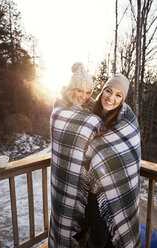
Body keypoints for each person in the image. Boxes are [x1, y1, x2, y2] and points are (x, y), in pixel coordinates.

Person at [73, 74, 142, 248]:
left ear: (123, 98)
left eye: (118, 95)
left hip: (109, 190)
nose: (111, 98)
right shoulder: (89, 112)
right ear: (102, 90)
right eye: (109, 91)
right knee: (85, 229)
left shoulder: (127, 120)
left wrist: (104, 173)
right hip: (87, 185)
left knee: (102, 237)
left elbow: (129, 157)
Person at [48, 62, 102, 248]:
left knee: (81, 225)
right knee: (64, 223)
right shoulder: (59, 110)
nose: (84, 97)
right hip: (63, 177)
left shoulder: (91, 113)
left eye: (88, 92)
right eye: (80, 91)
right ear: (72, 89)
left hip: (83, 180)